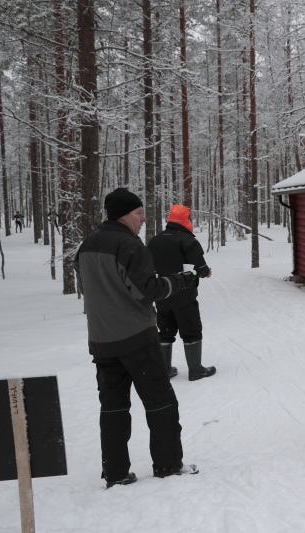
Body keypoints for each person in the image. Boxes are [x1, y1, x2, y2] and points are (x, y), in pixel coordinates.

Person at [74, 188, 199, 488]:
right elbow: (147, 291)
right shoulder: (129, 245)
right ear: (123, 215)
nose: (144, 219)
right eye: (139, 213)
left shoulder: (86, 246)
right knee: (161, 402)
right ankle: (168, 465)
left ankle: (116, 473)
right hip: (136, 339)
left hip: (102, 343)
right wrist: (181, 280)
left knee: (113, 408)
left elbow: (91, 285)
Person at [147, 204, 216, 381]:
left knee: (165, 331)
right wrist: (206, 271)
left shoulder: (155, 241)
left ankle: (166, 370)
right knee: (191, 330)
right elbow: (199, 268)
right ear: (186, 220)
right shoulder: (187, 241)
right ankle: (195, 370)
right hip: (184, 296)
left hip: (161, 295)